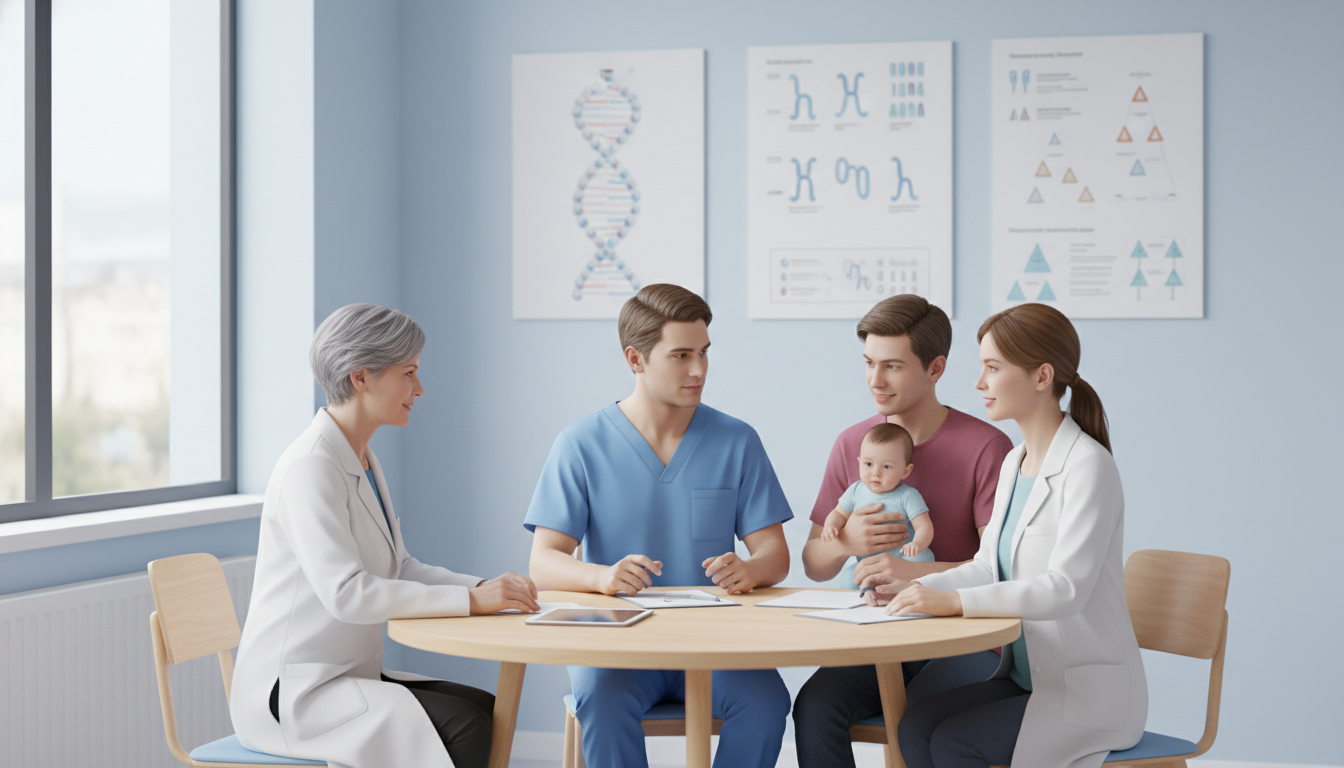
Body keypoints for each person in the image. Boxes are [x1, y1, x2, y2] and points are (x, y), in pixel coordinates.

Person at [231, 304, 540, 768]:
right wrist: (475, 603)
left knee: (482, 707)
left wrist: (478, 587)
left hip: (338, 676)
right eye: (409, 373)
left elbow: (400, 567)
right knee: (468, 725)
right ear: (361, 377)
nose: (419, 389)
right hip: (291, 695)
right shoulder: (311, 467)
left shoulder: (359, 457)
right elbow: (346, 594)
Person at [525, 284, 793, 768]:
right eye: (682, 355)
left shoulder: (738, 440)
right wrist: (601, 577)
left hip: (715, 644)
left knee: (768, 702)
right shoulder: (580, 445)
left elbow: (775, 553)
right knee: (602, 704)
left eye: (705, 353)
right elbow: (543, 562)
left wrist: (750, 571)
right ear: (636, 358)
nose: (699, 370)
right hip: (619, 646)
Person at [870, 302, 1147, 768]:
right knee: (914, 727)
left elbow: (1066, 589)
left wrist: (954, 603)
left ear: (1042, 377)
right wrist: (916, 588)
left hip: (1083, 694)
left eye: (992, 368)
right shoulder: (1013, 462)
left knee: (956, 743)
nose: (979, 383)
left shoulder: (1088, 467)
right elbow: (985, 566)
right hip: (1027, 677)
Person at [793, 294, 1014, 768]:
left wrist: (916, 575)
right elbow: (813, 563)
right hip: (878, 632)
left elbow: (1005, 569)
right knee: (814, 707)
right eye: (869, 363)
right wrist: (846, 544)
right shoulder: (854, 445)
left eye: (892, 366)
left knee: (919, 719)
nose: (876, 380)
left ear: (935, 368)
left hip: (968, 637)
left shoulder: (986, 447)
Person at [819, 422, 935, 574]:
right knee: (848, 578)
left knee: (921, 559)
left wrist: (917, 544)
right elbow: (839, 514)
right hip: (870, 564)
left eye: (886, 467)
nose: (876, 473)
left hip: (904, 560)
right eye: (868, 464)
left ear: (905, 471)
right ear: (859, 462)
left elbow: (924, 526)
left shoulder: (907, 495)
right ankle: (871, 592)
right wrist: (831, 526)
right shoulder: (855, 491)